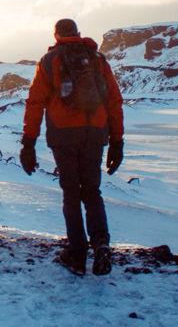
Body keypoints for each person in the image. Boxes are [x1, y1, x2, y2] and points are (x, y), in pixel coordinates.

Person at [20, 18, 124, 277]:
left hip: (63, 135)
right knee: (92, 191)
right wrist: (117, 142)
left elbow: (35, 103)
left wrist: (28, 144)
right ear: (77, 33)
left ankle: (77, 255)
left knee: (71, 194)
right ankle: (100, 244)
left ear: (56, 36)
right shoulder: (97, 59)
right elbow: (113, 101)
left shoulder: (49, 61)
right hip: (95, 134)